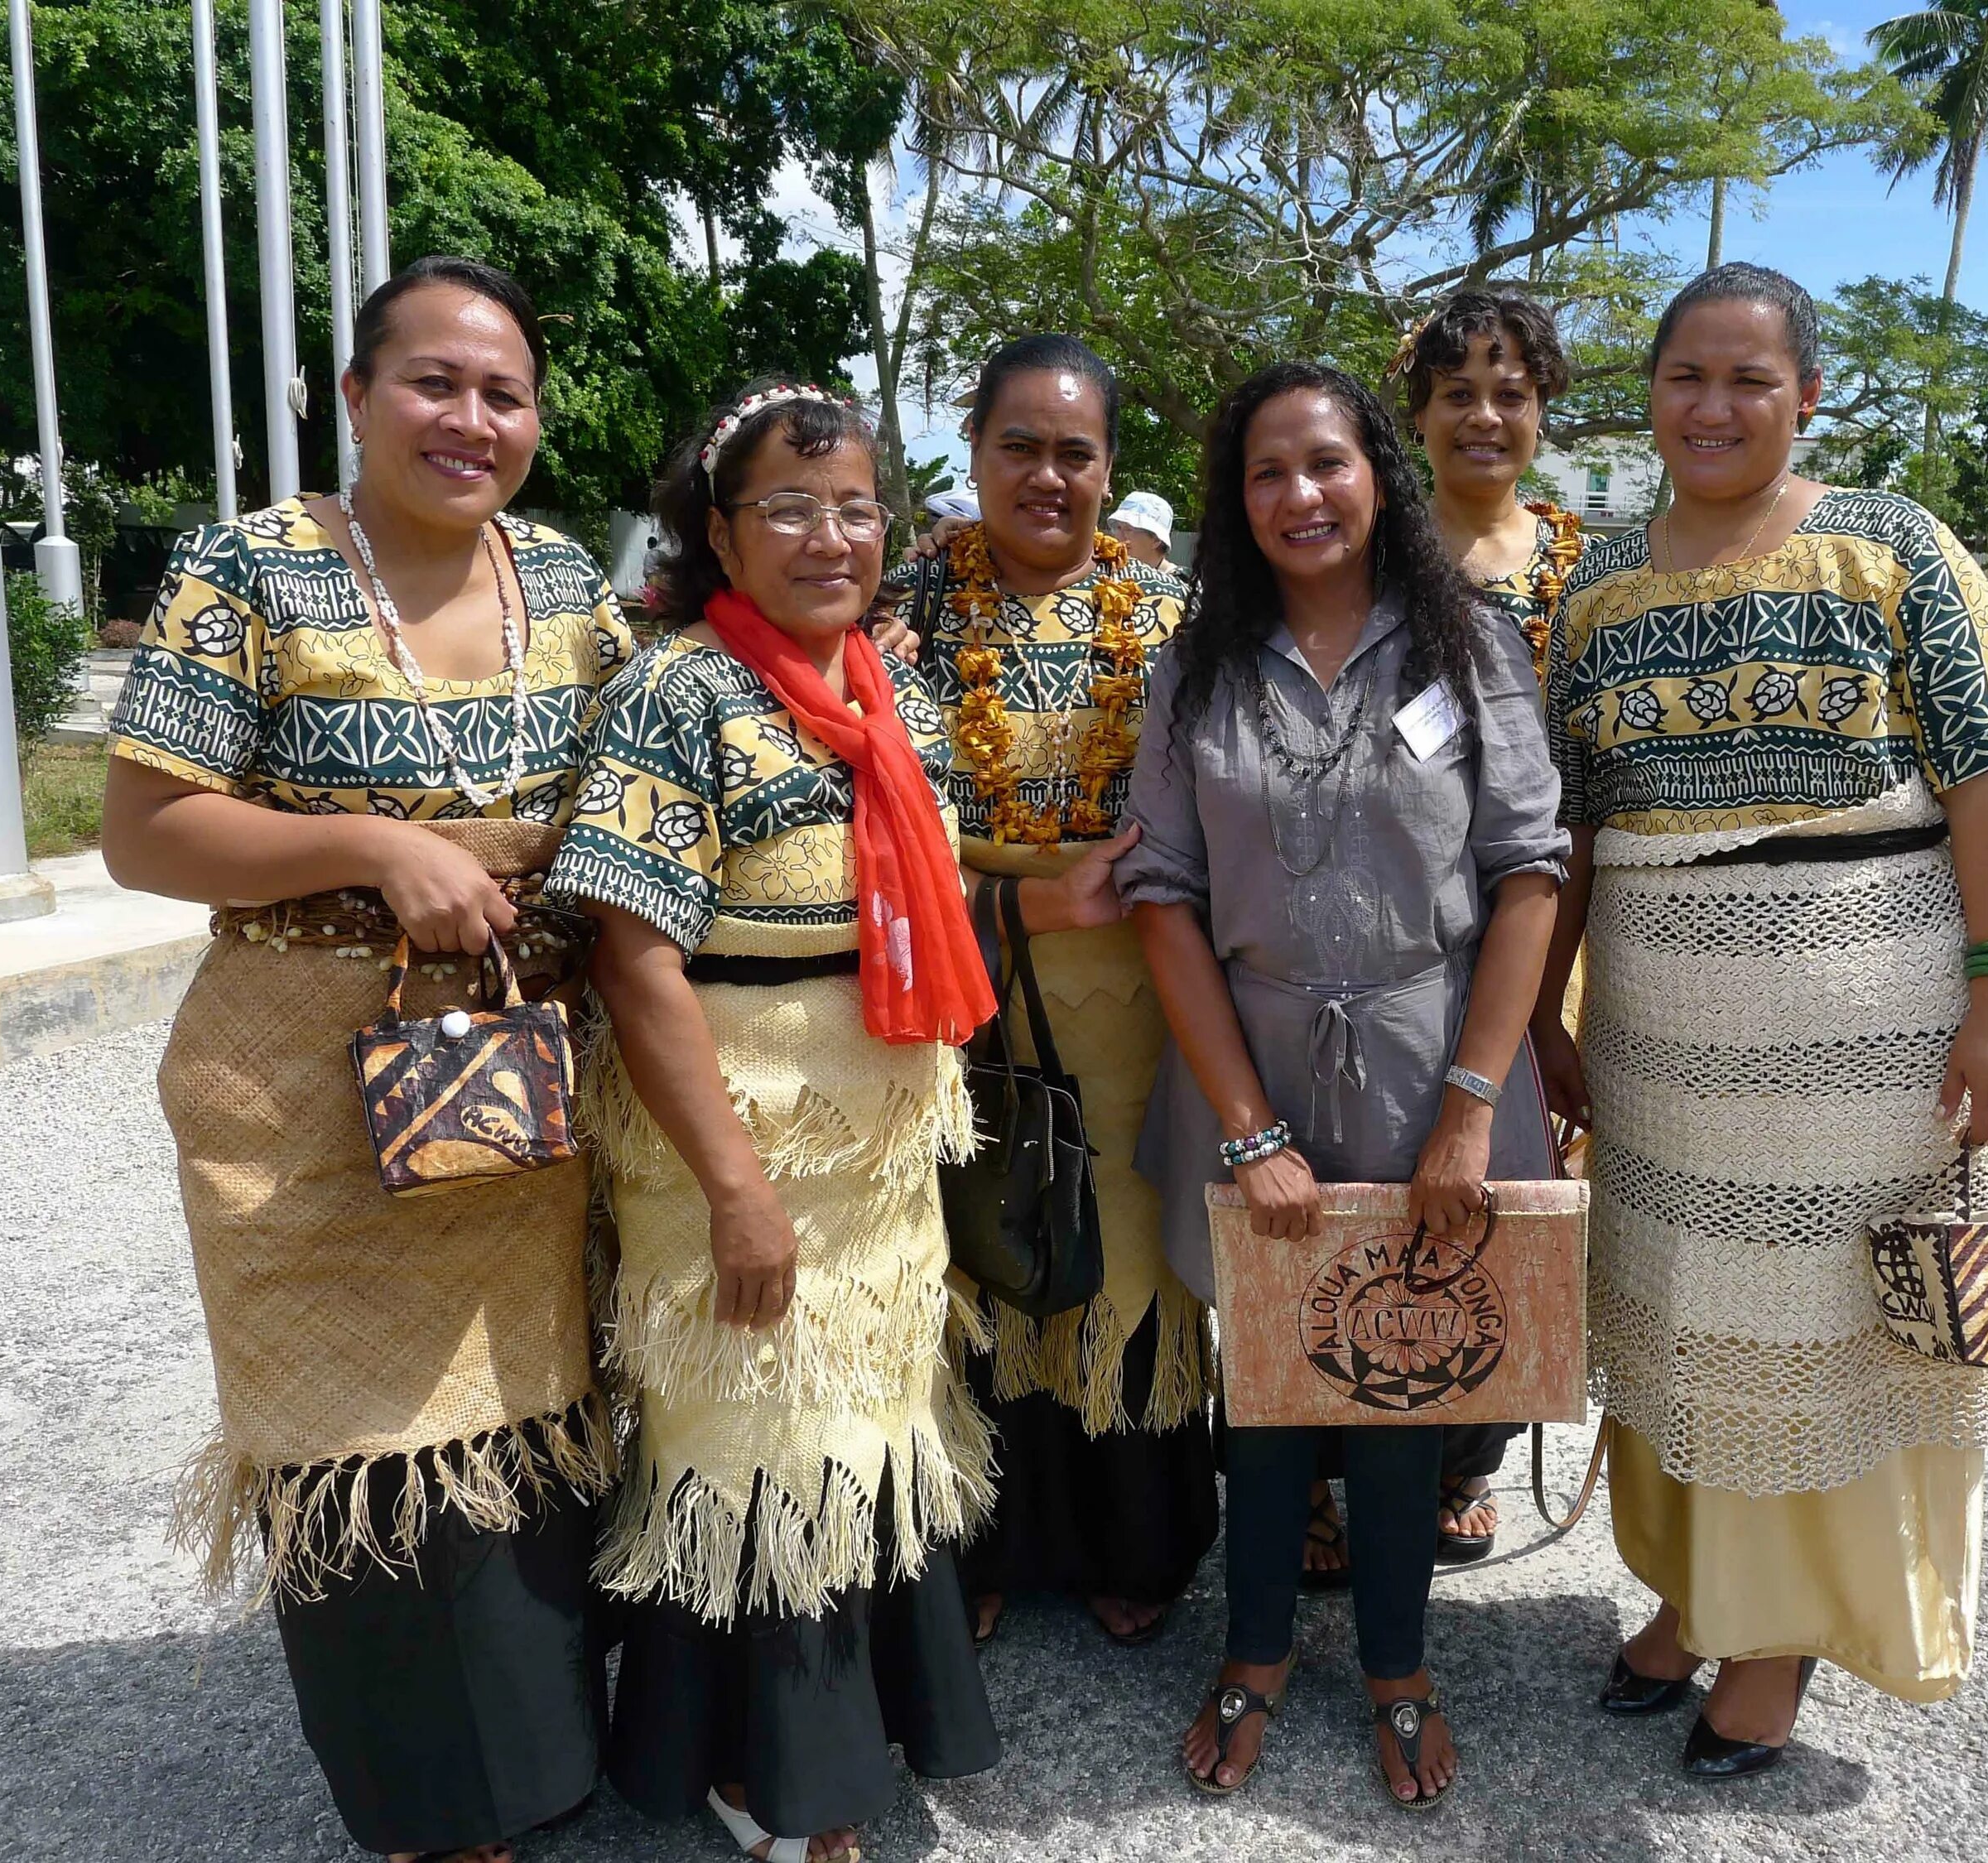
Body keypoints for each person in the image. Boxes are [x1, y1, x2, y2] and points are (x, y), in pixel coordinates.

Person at [554, 383, 1143, 1861]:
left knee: (864, 1431)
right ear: (720, 528)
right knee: (756, 1434)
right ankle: (774, 1776)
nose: (831, 535)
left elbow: (943, 885)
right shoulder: (677, 693)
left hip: (880, 1148)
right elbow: (634, 952)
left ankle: (834, 1735)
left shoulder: (892, 695)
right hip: (736, 1145)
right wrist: (737, 1189)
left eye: (857, 506)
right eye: (791, 508)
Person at [100, 256, 634, 1863]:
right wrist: (366, 844)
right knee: (359, 1450)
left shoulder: (566, 580)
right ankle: (421, 1805)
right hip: (307, 1083)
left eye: (505, 393)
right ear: (354, 396)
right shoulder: (247, 572)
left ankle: (541, 1760)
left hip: (532, 1071)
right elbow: (144, 834)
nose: (472, 419)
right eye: (435, 383)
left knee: (534, 1419)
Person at [1534, 262, 1988, 1780]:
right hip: (1656, 1030)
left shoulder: (1896, 547)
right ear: (1650, 394)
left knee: (1817, 1329)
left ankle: (1777, 1645)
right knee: (1678, 1313)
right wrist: (1552, 1018)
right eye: (1688, 376)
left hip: (1863, 1026)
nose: (1714, 405)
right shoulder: (1597, 585)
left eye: (1750, 379)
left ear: (1806, 396)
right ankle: (1694, 1597)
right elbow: (1566, 826)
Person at [1119, 360, 1567, 1809]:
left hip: (1434, 1051)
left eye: (1325, 463)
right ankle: (1253, 1653)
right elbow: (1165, 894)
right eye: (1265, 473)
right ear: (1232, 502)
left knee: (1406, 1374)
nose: (1299, 496)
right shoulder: (1196, 664)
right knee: (1263, 1387)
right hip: (1253, 1060)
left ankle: (1397, 1665)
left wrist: (1469, 1108)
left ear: (1379, 471)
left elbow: (1525, 873)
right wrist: (1246, 1128)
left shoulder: (1468, 647)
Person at [899, 334, 1220, 1649]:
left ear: (1111, 469)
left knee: (1129, 1256)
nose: (1046, 475)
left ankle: (1134, 1540)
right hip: (952, 973)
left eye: (1073, 451)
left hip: (1141, 996)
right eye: (1017, 446)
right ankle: (983, 1544)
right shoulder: (901, 609)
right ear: (971, 452)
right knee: (973, 1251)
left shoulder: (1177, 623)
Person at [1384, 286, 1584, 1563]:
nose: (1485, 415)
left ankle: (1471, 1448)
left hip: (1549, 915)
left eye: (1510, 391)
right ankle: (1361, 1437)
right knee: (1389, 1174)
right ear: (1417, 414)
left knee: (1510, 1194)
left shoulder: (1585, 566)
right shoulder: (1369, 550)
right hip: (1395, 926)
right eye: (1458, 392)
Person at [1110, 489, 1177, 569]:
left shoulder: (1179, 580)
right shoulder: (1109, 571)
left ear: (1156, 540)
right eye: (1119, 527)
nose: (1118, 536)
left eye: (1129, 529)